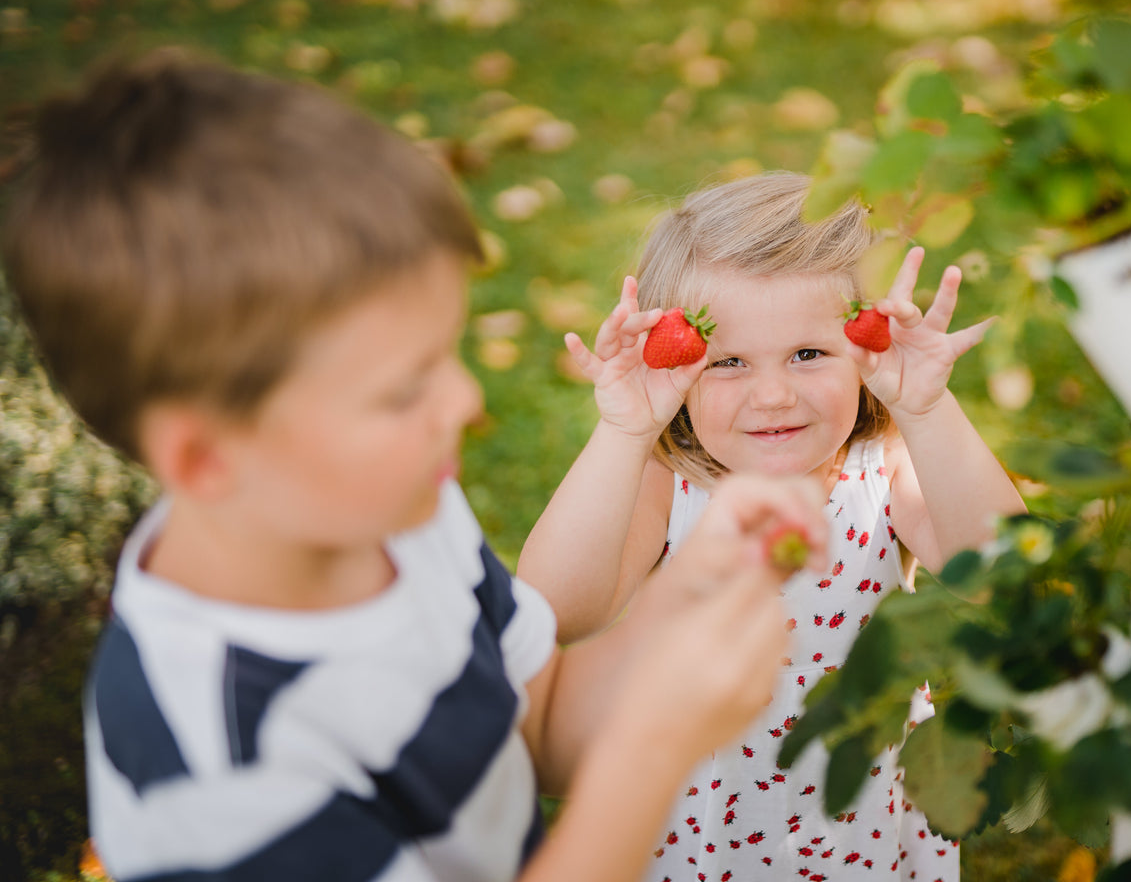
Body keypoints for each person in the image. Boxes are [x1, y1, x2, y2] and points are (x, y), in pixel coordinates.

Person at [0, 51, 832, 882]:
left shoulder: (401, 517)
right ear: (207, 457)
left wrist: (678, 607)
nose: (466, 400)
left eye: (446, 356)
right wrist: (651, 751)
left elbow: (537, 728)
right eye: (402, 391)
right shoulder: (217, 764)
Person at [518, 172, 1027, 881]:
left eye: (809, 353)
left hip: (856, 806)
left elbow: (1006, 584)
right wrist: (623, 432)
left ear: (865, 347)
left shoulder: (885, 471)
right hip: (700, 808)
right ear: (680, 370)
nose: (773, 394)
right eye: (727, 362)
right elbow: (551, 611)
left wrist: (927, 410)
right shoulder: (671, 486)